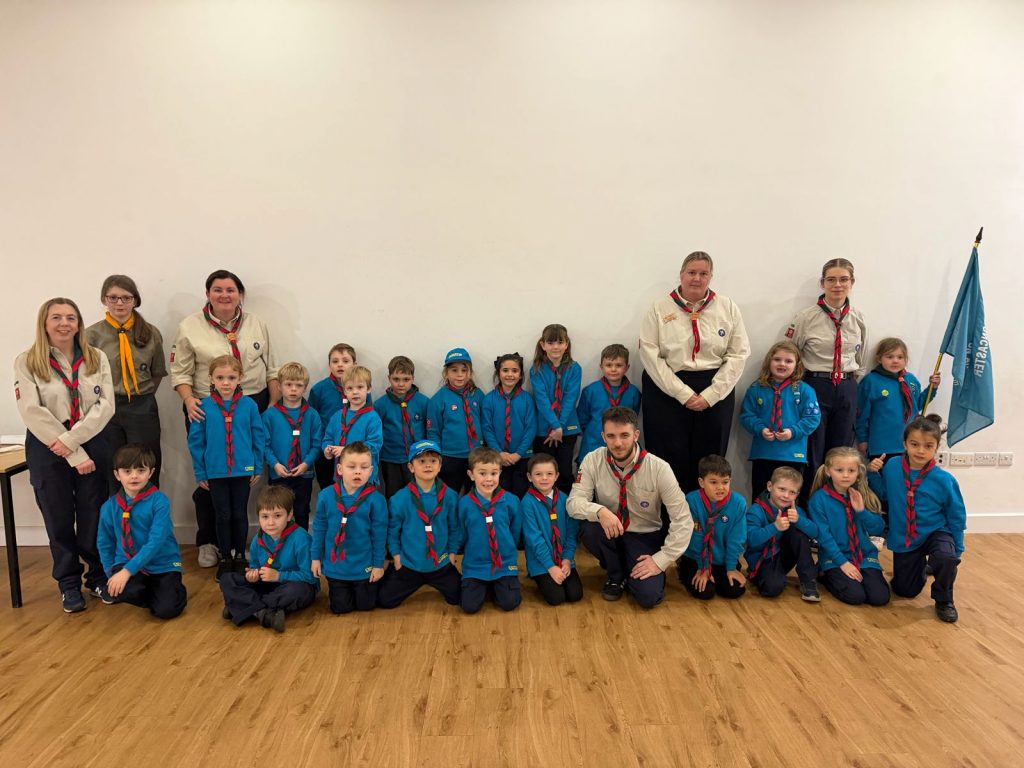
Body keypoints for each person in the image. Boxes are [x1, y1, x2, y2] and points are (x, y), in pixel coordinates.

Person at [171, 269, 279, 568]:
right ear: (208, 294)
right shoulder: (190, 326)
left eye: (230, 290)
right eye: (217, 290)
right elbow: (179, 372)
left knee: (247, 477)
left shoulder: (256, 324)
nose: (224, 295)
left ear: (239, 294)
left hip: (252, 404)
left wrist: (272, 404)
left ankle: (243, 546)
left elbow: (272, 368)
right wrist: (189, 401)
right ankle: (210, 542)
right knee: (211, 477)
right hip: (206, 407)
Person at [15, 297, 114, 613]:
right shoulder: (28, 361)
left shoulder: (96, 357)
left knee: (92, 517)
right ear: (44, 323)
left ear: (79, 323)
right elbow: (32, 411)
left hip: (91, 443)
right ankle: (69, 584)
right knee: (57, 519)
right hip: (48, 447)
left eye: (71, 317)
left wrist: (73, 441)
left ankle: (97, 577)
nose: (64, 323)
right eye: (56, 317)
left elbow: (105, 406)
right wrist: (72, 451)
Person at [639, 251, 750, 492]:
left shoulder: (727, 307)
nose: (697, 278)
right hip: (667, 388)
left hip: (715, 388)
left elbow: (739, 353)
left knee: (710, 460)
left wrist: (711, 395)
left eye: (703, 273)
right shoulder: (659, 308)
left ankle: (705, 512)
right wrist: (683, 393)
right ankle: (669, 514)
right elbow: (650, 354)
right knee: (667, 457)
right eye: (691, 272)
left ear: (711, 277)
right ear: (681, 275)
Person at [568, 406, 693, 608]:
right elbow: (573, 503)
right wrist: (599, 511)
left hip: (644, 536)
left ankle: (626, 568)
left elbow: (683, 519)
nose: (618, 443)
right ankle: (616, 575)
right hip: (611, 531)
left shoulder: (659, 468)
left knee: (648, 597)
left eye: (624, 435)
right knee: (589, 529)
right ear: (603, 436)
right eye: (611, 436)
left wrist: (661, 560)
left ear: (636, 435)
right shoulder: (592, 460)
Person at [868, 415, 965, 623]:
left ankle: (944, 599)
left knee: (947, 558)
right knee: (904, 591)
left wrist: (957, 547)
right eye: (914, 444)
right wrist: (873, 474)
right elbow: (884, 494)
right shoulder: (892, 466)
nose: (921, 451)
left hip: (936, 532)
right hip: (906, 536)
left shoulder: (944, 480)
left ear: (936, 448)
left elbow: (956, 515)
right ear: (904, 444)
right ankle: (922, 567)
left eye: (928, 446)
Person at [786, 258, 867, 499]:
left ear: (852, 282)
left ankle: (836, 504)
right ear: (823, 283)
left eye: (843, 280)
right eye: (831, 280)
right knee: (813, 450)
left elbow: (861, 358)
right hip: (815, 386)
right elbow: (791, 354)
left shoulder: (858, 318)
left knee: (841, 452)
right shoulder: (806, 317)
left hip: (846, 386)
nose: (837, 285)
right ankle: (810, 504)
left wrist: (849, 384)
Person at [187, 355, 266, 579]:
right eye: (220, 377)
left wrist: (257, 466)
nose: (225, 382)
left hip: (243, 470)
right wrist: (200, 471)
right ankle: (224, 557)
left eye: (231, 377)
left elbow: (258, 437)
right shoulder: (203, 406)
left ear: (240, 377)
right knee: (222, 515)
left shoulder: (249, 405)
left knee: (239, 513)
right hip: (216, 472)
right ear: (211, 378)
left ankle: (239, 555)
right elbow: (196, 442)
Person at [86, 275, 166, 493]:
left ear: (135, 300)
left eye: (126, 298)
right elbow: (87, 377)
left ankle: (148, 510)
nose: (119, 303)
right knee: (113, 464)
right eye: (113, 298)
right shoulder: (91, 335)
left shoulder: (150, 332)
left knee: (146, 462)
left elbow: (157, 373)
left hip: (142, 405)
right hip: (107, 406)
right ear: (104, 299)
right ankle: (118, 512)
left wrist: (141, 398)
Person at [97, 445, 187, 619]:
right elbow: (105, 542)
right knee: (113, 591)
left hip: (162, 563)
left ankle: (170, 592)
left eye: (141, 470)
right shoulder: (109, 507)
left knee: (166, 610)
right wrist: (110, 573)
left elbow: (156, 541)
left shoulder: (160, 501)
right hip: (126, 561)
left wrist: (127, 572)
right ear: (117, 475)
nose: (134, 476)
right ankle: (155, 593)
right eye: (127, 471)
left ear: (151, 473)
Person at [219, 485, 318, 632]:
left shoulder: (301, 538)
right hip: (267, 585)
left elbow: (310, 577)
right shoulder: (257, 540)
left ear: (289, 515)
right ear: (258, 517)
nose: (270, 523)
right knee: (227, 579)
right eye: (265, 517)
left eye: (277, 516)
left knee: (298, 591)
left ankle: (242, 607)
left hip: (293, 584)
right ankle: (263, 612)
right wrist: (253, 574)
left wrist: (279, 576)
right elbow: (255, 566)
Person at [377, 440, 462, 609]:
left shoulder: (450, 497)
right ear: (411, 467)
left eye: (433, 461)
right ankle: (394, 573)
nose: (428, 465)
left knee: (460, 598)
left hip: (440, 563)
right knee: (384, 600)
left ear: (440, 466)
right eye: (421, 461)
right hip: (409, 564)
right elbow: (393, 532)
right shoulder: (399, 499)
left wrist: (452, 553)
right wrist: (396, 556)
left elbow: (455, 528)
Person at [311, 442, 387, 614]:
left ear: (371, 470)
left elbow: (379, 536)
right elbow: (319, 529)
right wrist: (315, 558)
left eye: (364, 467)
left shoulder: (376, 500)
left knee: (366, 606)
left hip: (364, 566)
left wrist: (378, 565)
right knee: (341, 608)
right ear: (339, 469)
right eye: (351, 467)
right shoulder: (326, 496)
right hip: (336, 567)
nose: (358, 472)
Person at [808, 447, 890, 606]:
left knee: (879, 598)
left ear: (858, 472)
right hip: (834, 558)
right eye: (839, 470)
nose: (845, 475)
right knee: (855, 596)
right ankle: (824, 574)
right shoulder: (819, 499)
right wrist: (843, 563)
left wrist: (861, 512)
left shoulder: (863, 494)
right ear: (828, 471)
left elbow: (878, 528)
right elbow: (824, 536)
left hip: (864, 556)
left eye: (851, 470)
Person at [738, 341, 821, 498]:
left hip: (793, 455)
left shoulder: (805, 390)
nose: (782, 364)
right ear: (769, 361)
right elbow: (746, 415)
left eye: (788, 361)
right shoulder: (756, 388)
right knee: (761, 497)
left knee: (789, 499)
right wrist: (761, 429)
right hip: (763, 454)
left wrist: (792, 432)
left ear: (797, 365)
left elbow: (812, 418)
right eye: (777, 359)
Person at [449, 447, 523, 614]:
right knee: (469, 607)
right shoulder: (464, 504)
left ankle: (498, 586)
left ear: (500, 473)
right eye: (482, 473)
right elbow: (462, 533)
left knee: (510, 603)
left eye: (494, 473)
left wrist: (508, 548)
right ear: (471, 475)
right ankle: (487, 586)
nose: (489, 479)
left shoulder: (511, 501)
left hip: (504, 563)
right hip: (475, 564)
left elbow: (515, 531)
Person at [857, 338, 941, 462]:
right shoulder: (870, 381)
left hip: (910, 445)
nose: (895, 361)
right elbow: (861, 414)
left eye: (900, 357)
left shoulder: (911, 380)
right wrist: (862, 439)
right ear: (879, 359)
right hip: (881, 446)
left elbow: (917, 405)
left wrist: (932, 388)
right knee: (884, 474)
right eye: (889, 357)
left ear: (906, 360)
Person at [744, 465, 820, 602]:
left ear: (797, 494)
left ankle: (809, 580)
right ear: (770, 486)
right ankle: (764, 575)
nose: (786, 496)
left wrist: (799, 520)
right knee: (772, 589)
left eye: (792, 492)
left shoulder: (795, 510)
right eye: (782, 489)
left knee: (798, 531)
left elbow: (815, 533)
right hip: (763, 559)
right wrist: (774, 527)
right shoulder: (756, 510)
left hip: (783, 556)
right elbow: (750, 540)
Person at [677, 455, 747, 600]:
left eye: (725, 482)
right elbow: (695, 536)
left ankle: (720, 572)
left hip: (722, 559)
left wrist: (731, 567)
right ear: (701, 482)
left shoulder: (738, 503)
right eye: (713, 482)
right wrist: (703, 568)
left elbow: (737, 538)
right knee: (705, 592)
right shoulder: (692, 500)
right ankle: (683, 569)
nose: (720, 487)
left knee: (734, 590)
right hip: (696, 558)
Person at [263, 362, 323, 529]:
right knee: (278, 512)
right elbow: (264, 445)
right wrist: (275, 464)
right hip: (278, 473)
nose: (293, 389)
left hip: (304, 473)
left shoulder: (312, 415)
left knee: (302, 511)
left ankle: (301, 541)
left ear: (305, 388)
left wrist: (306, 464)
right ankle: (281, 542)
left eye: (299, 385)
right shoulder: (269, 415)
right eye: (288, 384)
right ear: (279, 386)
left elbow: (317, 444)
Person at [308, 343, 372, 491]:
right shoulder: (319, 389)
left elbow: (367, 414)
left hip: (356, 452)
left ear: (354, 364)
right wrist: (324, 446)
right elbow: (312, 420)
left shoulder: (362, 390)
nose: (340, 365)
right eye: (335, 361)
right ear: (329, 364)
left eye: (345, 361)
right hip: (328, 450)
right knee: (329, 489)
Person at [522, 453, 582, 606]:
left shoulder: (565, 499)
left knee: (575, 595)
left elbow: (571, 533)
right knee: (556, 598)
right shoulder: (527, 503)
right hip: (541, 562)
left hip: (563, 559)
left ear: (556, 476)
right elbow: (534, 539)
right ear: (529, 477)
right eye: (538, 474)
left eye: (549, 474)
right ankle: (537, 576)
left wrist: (567, 560)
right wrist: (550, 567)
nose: (544, 478)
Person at [530, 324, 582, 495]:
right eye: (551, 343)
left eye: (560, 342)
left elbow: (570, 398)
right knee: (544, 473)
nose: (555, 347)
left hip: (567, 428)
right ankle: (545, 506)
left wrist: (560, 426)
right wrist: (555, 425)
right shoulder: (536, 369)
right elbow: (541, 400)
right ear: (543, 345)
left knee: (565, 472)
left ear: (567, 344)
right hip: (544, 429)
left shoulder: (574, 368)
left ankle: (566, 506)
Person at [427, 348, 485, 494]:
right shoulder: (438, 399)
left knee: (475, 495)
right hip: (450, 457)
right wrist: (437, 456)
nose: (460, 375)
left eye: (464, 370)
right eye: (454, 370)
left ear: (470, 373)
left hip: (477, 456)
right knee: (449, 495)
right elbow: (433, 431)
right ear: (446, 373)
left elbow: (485, 423)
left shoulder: (477, 395)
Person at [576, 343, 642, 465]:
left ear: (627, 367)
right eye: (609, 365)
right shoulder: (590, 390)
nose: (613, 369)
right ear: (601, 367)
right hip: (592, 446)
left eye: (618, 365)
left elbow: (633, 418)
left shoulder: (634, 392)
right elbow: (582, 419)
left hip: (622, 448)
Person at [482, 353, 537, 497]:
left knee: (521, 494)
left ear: (521, 374)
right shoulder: (489, 399)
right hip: (497, 458)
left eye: (514, 370)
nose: (510, 374)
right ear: (498, 373)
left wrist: (518, 453)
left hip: (522, 457)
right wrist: (499, 453)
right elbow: (487, 428)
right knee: (500, 495)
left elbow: (531, 428)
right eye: (505, 370)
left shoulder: (527, 399)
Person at [375, 355, 430, 498]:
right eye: (396, 379)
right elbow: (376, 433)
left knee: (417, 496)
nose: (401, 384)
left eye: (406, 379)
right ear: (389, 378)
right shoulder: (380, 405)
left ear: (413, 379)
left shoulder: (424, 402)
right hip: (390, 459)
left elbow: (429, 430)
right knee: (393, 496)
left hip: (417, 458)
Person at [322, 365, 383, 486]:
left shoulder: (373, 418)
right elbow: (327, 438)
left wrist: (346, 450)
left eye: (360, 387)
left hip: (365, 478)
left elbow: (374, 446)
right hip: (342, 476)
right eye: (349, 388)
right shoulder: (337, 416)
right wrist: (327, 450)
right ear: (344, 391)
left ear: (368, 388)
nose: (355, 392)